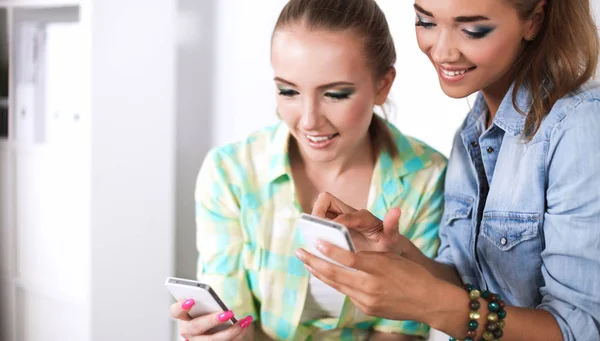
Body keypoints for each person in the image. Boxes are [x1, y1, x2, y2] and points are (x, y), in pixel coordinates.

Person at [296, 0, 600, 340]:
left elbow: (580, 330)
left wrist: (430, 305)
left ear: (534, 20)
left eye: (472, 30)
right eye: (425, 22)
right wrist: (399, 254)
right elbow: (466, 282)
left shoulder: (579, 128)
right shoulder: (471, 132)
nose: (441, 51)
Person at [168, 0, 448, 340]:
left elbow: (400, 331)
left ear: (382, 85)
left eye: (336, 94)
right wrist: (219, 334)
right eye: (288, 91)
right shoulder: (230, 173)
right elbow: (236, 321)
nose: (310, 119)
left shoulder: (426, 177)